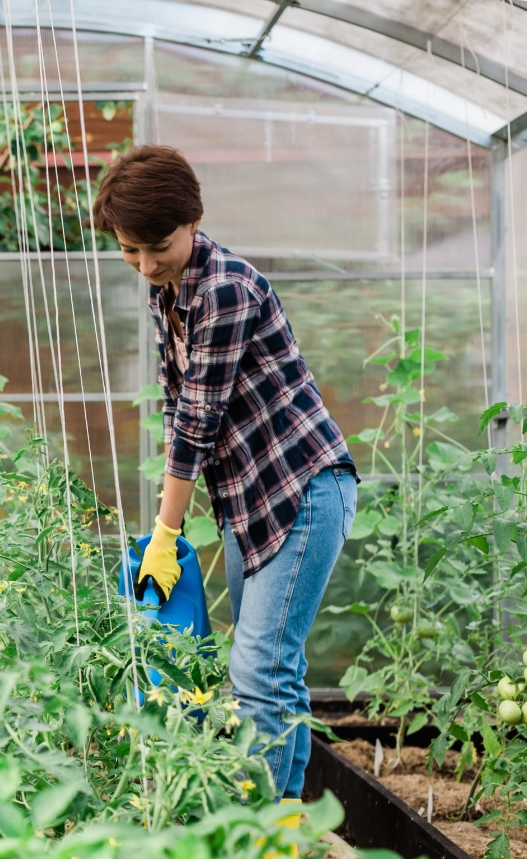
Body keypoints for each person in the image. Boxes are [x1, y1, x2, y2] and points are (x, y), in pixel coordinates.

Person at [92, 144, 358, 805]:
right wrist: (170, 523)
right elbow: (173, 401)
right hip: (248, 505)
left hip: (301, 490)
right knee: (274, 670)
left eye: (157, 245)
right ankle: (284, 821)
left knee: (258, 670)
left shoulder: (225, 289)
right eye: (129, 250)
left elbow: (198, 422)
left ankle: (258, 829)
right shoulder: (171, 291)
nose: (146, 265)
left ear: (193, 219)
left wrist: (164, 530)